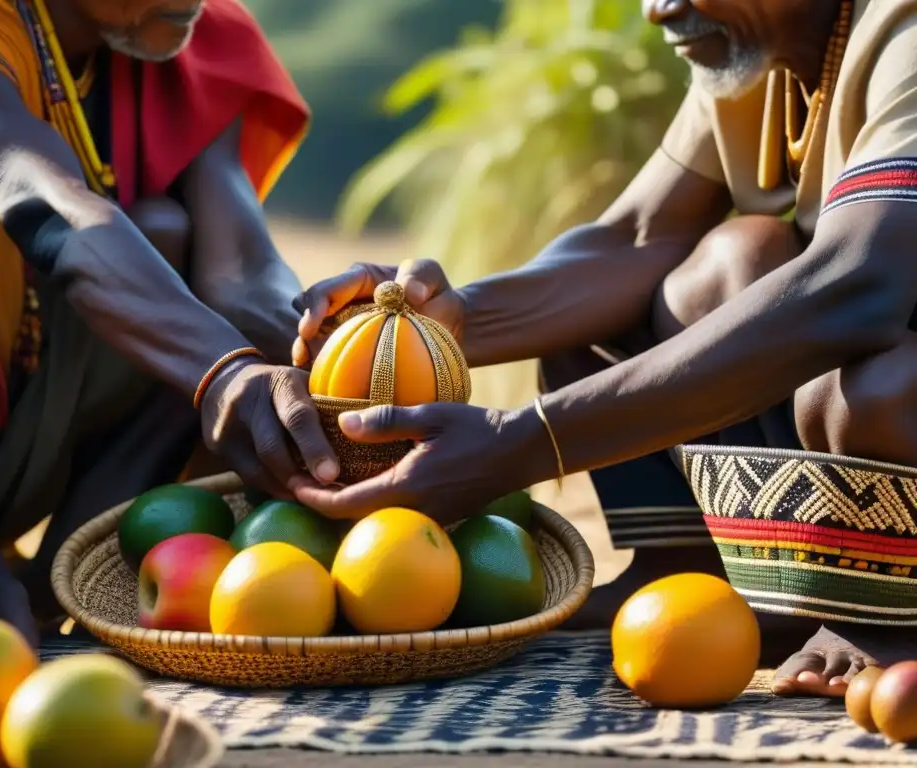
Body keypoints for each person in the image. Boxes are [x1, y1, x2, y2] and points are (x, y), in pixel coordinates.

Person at [293, 0, 917, 698]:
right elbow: (638, 236)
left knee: (875, 390)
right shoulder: (763, 56)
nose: (658, 10)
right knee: (720, 266)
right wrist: (453, 319)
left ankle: (892, 616)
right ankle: (701, 573)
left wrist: (528, 442)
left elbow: (860, 282)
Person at [0, 0, 341, 644]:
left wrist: (352, 358)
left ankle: (62, 588)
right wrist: (223, 370)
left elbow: (243, 277)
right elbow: (45, 200)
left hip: (31, 419)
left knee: (164, 237)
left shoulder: (195, 37)